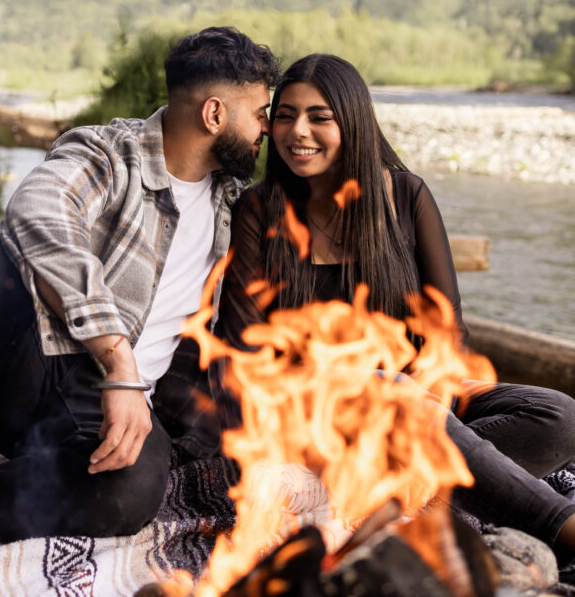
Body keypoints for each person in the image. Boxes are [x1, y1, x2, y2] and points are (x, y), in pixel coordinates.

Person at [0, 26, 280, 542]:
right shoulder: (108, 152)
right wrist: (117, 358)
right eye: (260, 114)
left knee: (132, 489)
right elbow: (39, 212)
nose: (267, 130)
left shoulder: (236, 204)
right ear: (214, 115)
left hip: (106, 414)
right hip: (30, 366)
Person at [216, 53, 575, 557]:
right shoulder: (258, 211)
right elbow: (244, 349)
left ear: (354, 121)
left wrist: (430, 401)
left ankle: (402, 497)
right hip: (315, 419)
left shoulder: (405, 197)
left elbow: (447, 330)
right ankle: (560, 527)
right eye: (284, 115)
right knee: (390, 390)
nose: (298, 131)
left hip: (416, 405)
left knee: (558, 414)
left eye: (320, 117)